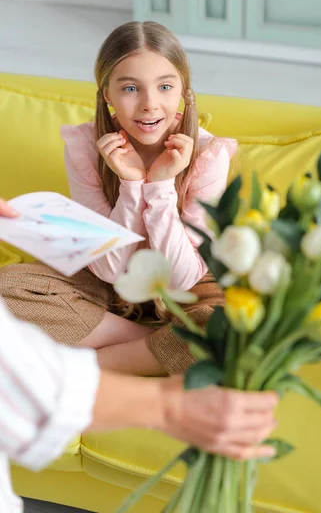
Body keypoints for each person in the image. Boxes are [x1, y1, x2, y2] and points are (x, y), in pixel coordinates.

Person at [0, 204, 279, 513]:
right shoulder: (90, 156)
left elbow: (187, 262)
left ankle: (138, 348)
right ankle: (164, 343)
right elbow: (29, 396)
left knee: (228, 326)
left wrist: (159, 193)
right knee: (10, 287)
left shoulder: (208, 167)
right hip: (112, 271)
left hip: (194, 270)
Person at [0, 21, 237, 377]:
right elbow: (110, 268)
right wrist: (130, 184)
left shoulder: (209, 155)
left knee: (228, 330)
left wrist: (160, 186)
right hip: (107, 283)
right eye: (130, 88)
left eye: (165, 87)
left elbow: (180, 279)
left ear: (183, 93)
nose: (149, 105)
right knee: (7, 291)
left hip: (188, 285)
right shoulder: (85, 146)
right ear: (107, 94)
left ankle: (83, 367)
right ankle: (151, 344)